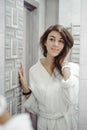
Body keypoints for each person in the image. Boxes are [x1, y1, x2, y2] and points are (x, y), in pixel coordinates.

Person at [19, 24, 79, 130]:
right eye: (52, 39)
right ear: (45, 42)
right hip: (44, 124)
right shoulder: (34, 71)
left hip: (66, 124)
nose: (56, 44)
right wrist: (25, 87)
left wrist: (64, 63)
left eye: (61, 41)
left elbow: (73, 100)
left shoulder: (72, 69)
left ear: (65, 46)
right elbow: (35, 108)